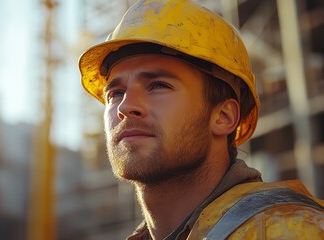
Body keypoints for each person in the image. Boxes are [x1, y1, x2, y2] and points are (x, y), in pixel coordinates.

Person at [78, 0, 324, 239]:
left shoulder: (293, 229)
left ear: (224, 116)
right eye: (115, 93)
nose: (125, 106)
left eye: (158, 85)